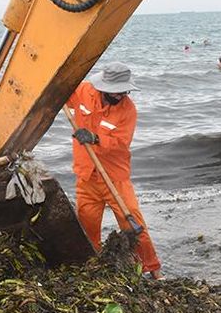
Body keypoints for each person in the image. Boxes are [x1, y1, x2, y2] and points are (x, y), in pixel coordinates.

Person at [66, 63, 164, 280]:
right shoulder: (84, 91)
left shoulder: (128, 110)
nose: (121, 96)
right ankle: (92, 264)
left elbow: (121, 143)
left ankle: (153, 269)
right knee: (87, 226)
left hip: (114, 178)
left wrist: (95, 138)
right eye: (116, 91)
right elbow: (61, 96)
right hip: (86, 176)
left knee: (133, 224)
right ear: (102, 87)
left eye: (124, 91)